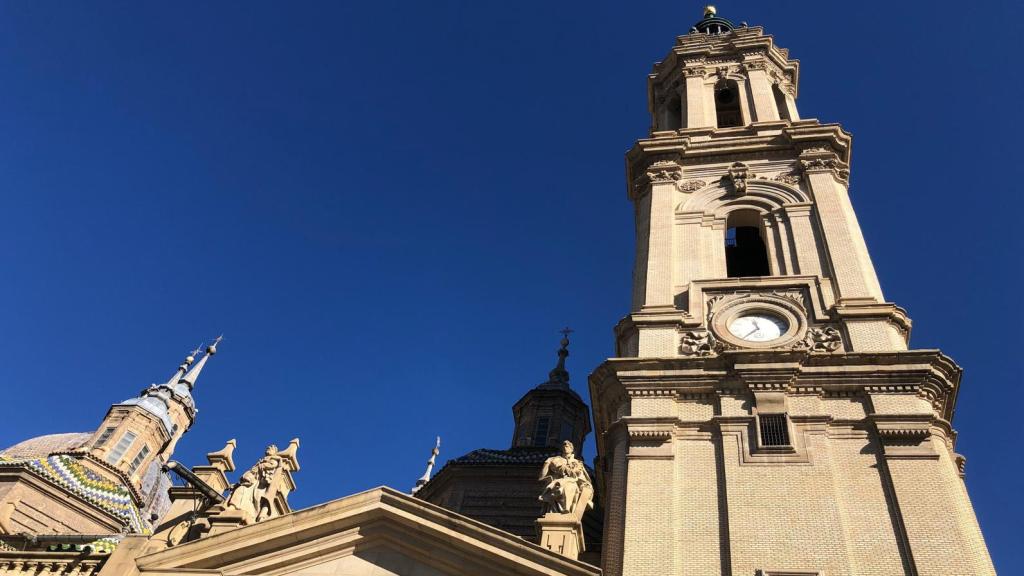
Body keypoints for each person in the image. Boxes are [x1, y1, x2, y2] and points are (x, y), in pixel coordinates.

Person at [225, 444, 283, 523]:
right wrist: (237, 484)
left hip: (261, 486)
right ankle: (233, 506)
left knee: (257, 501)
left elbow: (273, 466)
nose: (268, 449)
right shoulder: (261, 461)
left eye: (271, 448)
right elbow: (252, 472)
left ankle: (254, 516)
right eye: (268, 448)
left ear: (275, 452)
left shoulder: (274, 460)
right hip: (251, 482)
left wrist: (264, 465)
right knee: (240, 489)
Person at [538, 440, 593, 519]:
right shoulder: (555, 459)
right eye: (564, 446)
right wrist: (547, 463)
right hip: (557, 481)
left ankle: (566, 510)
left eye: (567, 446)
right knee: (560, 486)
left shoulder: (577, 463)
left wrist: (586, 486)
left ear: (572, 449)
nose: (565, 447)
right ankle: (562, 512)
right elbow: (545, 474)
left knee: (570, 486)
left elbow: (582, 478)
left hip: (572, 482)